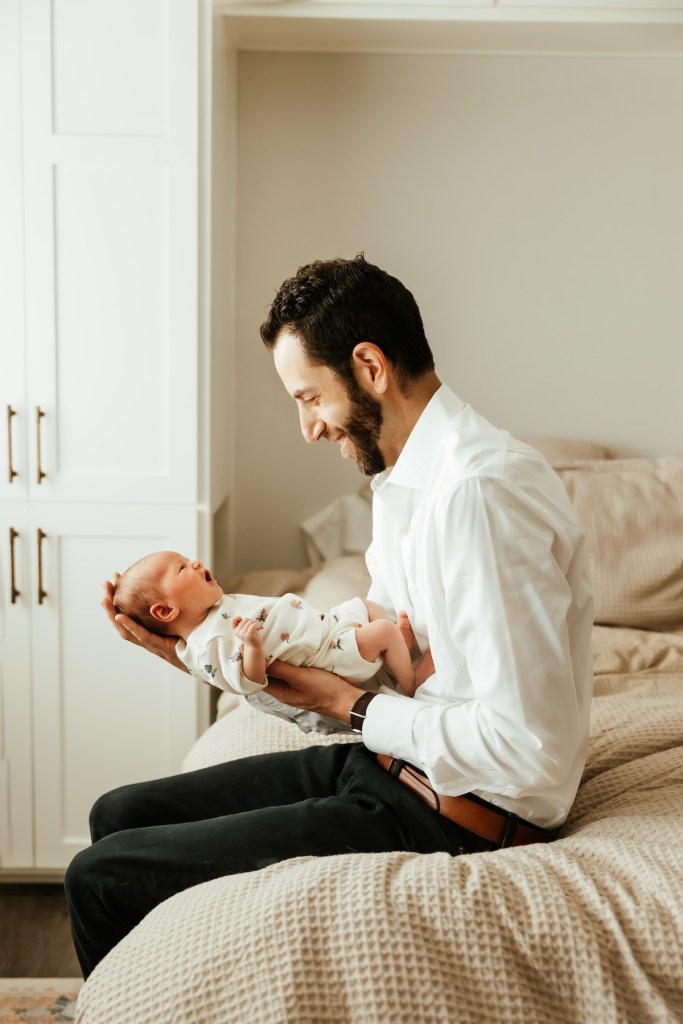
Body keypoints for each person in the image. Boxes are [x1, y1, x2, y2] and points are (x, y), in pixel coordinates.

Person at [65, 254, 593, 980]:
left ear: (369, 366)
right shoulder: (404, 480)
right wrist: (209, 657)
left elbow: (525, 748)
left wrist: (349, 706)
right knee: (118, 815)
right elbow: (365, 642)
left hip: (451, 811)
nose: (307, 429)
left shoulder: (479, 496)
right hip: (391, 763)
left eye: (309, 397)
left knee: (98, 876)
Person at [111, 550, 419, 724]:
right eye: (181, 568)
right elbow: (244, 682)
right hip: (324, 657)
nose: (195, 563)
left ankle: (395, 657)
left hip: (324, 629)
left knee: (367, 606)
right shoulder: (209, 644)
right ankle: (411, 688)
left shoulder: (210, 611)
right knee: (384, 630)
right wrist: (253, 647)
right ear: (165, 611)